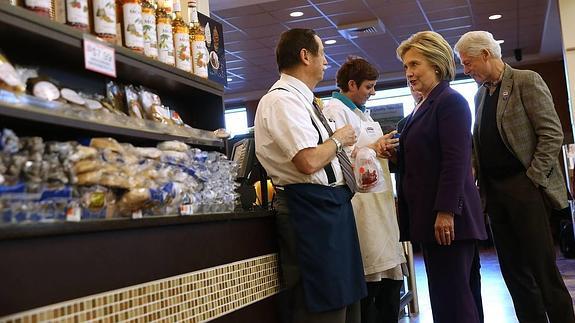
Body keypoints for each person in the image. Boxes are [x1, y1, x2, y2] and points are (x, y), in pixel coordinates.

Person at [455, 30, 575, 323]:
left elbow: (551, 134)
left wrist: (533, 179)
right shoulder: (480, 94)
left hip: (526, 188)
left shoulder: (526, 81)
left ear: (486, 54)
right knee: (513, 273)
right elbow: (478, 143)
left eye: (468, 62)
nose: (466, 69)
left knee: (542, 268)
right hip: (494, 194)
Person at [253, 28, 366, 323]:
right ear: (305, 56)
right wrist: (339, 139)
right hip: (310, 211)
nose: (327, 62)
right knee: (321, 306)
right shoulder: (281, 100)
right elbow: (307, 160)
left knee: (346, 304)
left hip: (332, 207)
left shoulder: (305, 100)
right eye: (323, 54)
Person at [393, 31, 487, 323]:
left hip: (448, 221)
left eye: (414, 64)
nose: (409, 72)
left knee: (454, 303)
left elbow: (456, 162)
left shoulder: (450, 102)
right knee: (455, 298)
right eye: (406, 66)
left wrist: (445, 211)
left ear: (435, 64)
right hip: (433, 220)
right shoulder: (424, 105)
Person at [322, 57, 406, 323]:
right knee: (372, 281)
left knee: (390, 279)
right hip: (362, 209)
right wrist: (373, 147)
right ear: (351, 84)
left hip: (380, 207)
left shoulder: (362, 112)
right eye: (369, 87)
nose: (373, 92)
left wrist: (384, 149)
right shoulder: (334, 111)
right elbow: (339, 155)